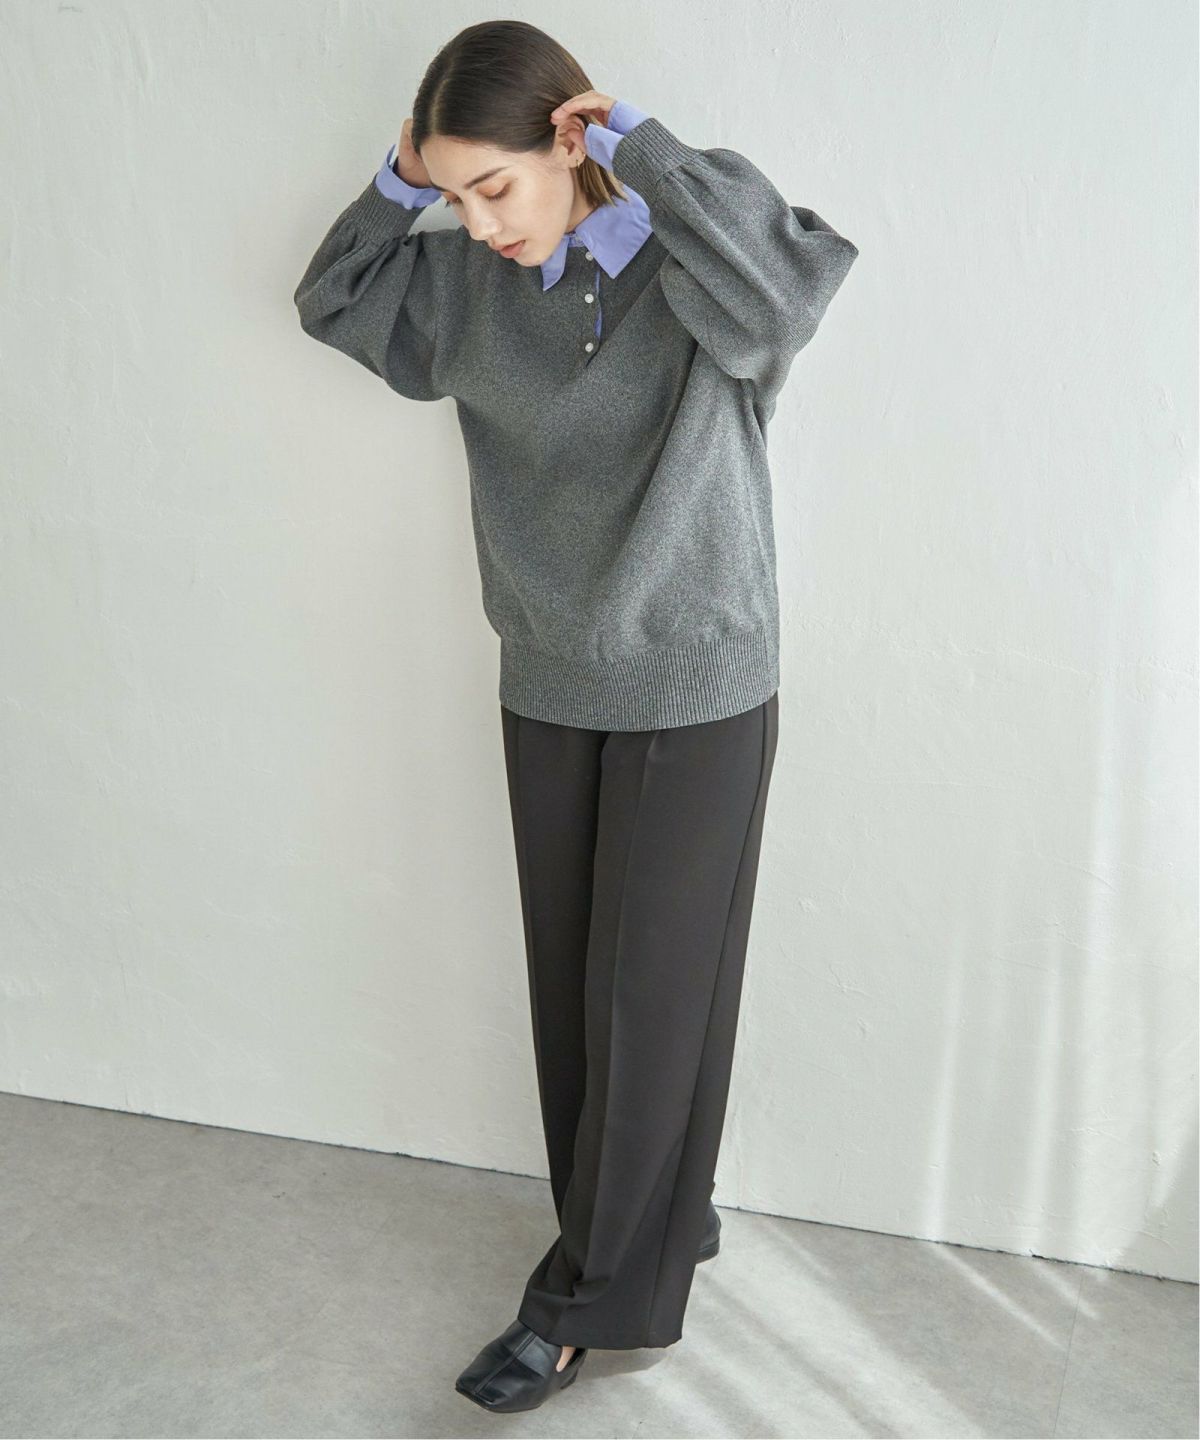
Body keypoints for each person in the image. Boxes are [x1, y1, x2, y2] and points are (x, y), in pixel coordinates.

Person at [293, 18, 858, 1415]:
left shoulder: (698, 272)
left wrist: (641, 148)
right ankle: (662, 1228)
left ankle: (581, 1305)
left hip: (699, 680)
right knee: (582, 998)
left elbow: (789, 298)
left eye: (496, 187)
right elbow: (331, 298)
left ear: (566, 143)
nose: (481, 225)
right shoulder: (464, 293)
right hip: (548, 673)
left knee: (652, 995)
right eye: (455, 197)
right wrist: (403, 181)